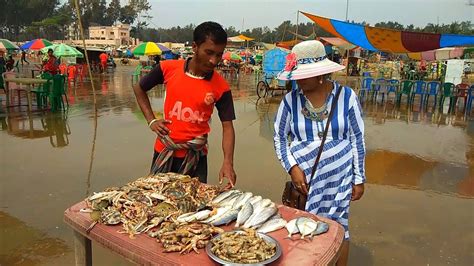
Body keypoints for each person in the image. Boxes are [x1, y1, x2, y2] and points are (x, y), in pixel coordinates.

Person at [273, 40, 366, 266]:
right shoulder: (289, 102)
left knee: (339, 230)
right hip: (304, 183)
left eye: (304, 75)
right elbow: (279, 138)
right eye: (296, 75)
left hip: (339, 181)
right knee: (304, 231)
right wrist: (293, 168)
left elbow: (357, 138)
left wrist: (359, 178)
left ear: (321, 74)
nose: (298, 80)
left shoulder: (347, 98)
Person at [133, 21, 237, 188]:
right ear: (195, 47)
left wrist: (228, 162)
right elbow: (139, 88)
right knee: (157, 202)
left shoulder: (222, 87)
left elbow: (228, 127)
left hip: (196, 158)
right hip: (164, 152)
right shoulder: (168, 68)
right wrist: (151, 120)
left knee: (194, 206)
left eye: (219, 55)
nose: (213, 60)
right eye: (209, 52)